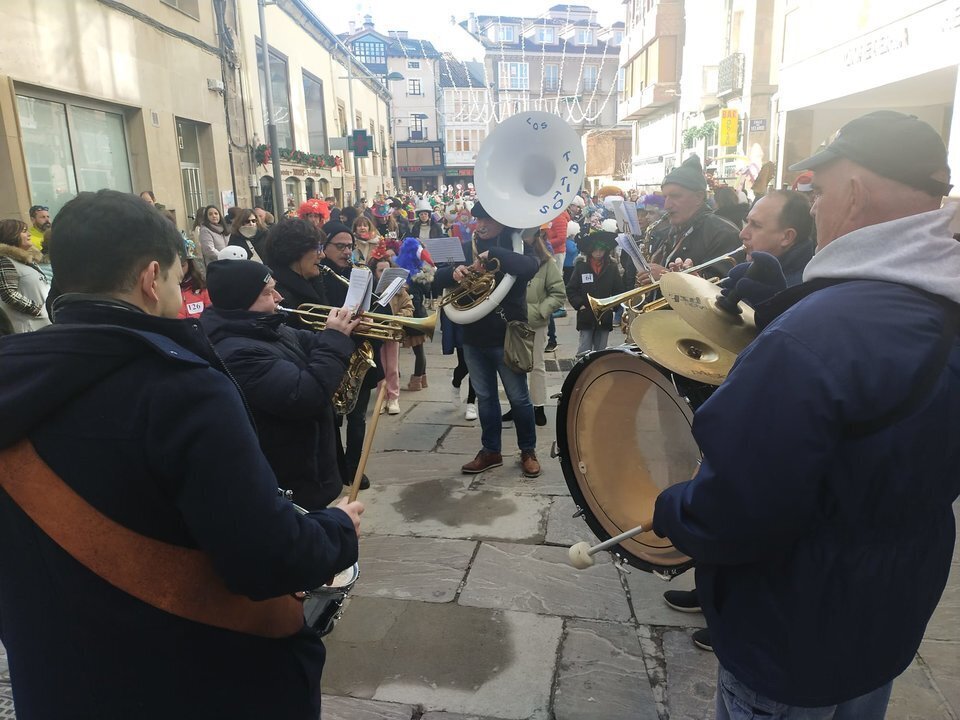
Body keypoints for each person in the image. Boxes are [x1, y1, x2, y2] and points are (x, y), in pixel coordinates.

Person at [0, 189, 363, 718]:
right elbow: (268, 560)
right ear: (151, 279)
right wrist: (335, 530)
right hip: (191, 679)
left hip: (55, 683)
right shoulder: (182, 388)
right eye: (174, 278)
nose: (177, 292)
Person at [652, 111, 960, 718]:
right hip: (888, 613)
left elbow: (736, 507)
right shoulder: (939, 306)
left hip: (789, 629)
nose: (813, 208)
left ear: (854, 193)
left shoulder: (816, 333)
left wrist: (672, 510)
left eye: (816, 193)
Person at [662, 189, 815, 651]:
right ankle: (709, 588)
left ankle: (729, 608)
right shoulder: (771, 266)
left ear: (787, 237)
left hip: (773, 427)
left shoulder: (805, 278)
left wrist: (772, 305)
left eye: (755, 226)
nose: (743, 233)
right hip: (744, 398)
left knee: (743, 508)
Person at [201, 260, 359, 509]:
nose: (279, 297)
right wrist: (336, 338)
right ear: (241, 300)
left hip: (308, 472)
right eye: (268, 292)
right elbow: (305, 395)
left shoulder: (266, 327)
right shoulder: (237, 351)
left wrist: (352, 329)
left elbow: (315, 344)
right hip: (288, 482)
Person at [434, 202, 541, 477]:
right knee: (485, 397)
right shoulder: (463, 244)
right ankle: (490, 450)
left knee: (519, 397)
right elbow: (437, 277)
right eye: (478, 218)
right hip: (473, 335)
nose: (480, 224)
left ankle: (528, 450)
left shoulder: (514, 244)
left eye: (487, 220)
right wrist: (454, 273)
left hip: (507, 334)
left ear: (502, 222)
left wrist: (492, 253)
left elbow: (530, 267)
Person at [320, 220, 383, 490]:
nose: (347, 251)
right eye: (340, 246)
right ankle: (336, 464)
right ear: (325, 247)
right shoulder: (320, 277)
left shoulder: (361, 272)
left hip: (360, 351)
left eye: (350, 246)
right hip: (333, 352)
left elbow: (376, 306)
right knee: (332, 418)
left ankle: (354, 466)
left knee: (357, 417)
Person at [503, 227, 565, 427]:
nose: (522, 237)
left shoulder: (547, 263)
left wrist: (539, 311)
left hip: (535, 323)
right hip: (511, 321)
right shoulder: (508, 259)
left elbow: (557, 293)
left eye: (527, 234)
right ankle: (517, 404)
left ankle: (538, 406)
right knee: (513, 364)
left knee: (536, 365)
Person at [649, 155, 742, 281]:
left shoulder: (724, 233)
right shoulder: (670, 231)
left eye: (675, 196)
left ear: (699, 197)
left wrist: (665, 276)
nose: (667, 205)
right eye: (665, 197)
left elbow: (721, 289)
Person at [565, 231, 622, 356]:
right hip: (586, 314)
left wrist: (614, 306)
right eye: (595, 250)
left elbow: (619, 289)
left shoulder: (612, 268)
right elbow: (571, 289)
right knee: (584, 350)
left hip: (605, 314)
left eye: (601, 250)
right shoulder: (581, 267)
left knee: (601, 351)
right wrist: (580, 305)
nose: (598, 253)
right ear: (590, 250)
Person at [265, 218, 328, 325]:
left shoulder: (314, 282)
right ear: (297, 251)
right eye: (318, 248)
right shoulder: (279, 297)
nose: (322, 255)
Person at [370, 254, 411, 415]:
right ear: (374, 273)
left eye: (387, 270)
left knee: (392, 367)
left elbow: (409, 308)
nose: (384, 274)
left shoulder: (400, 291)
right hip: (376, 332)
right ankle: (381, 397)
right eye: (380, 271)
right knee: (380, 366)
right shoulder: (371, 290)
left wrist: (399, 317)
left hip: (392, 333)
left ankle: (393, 397)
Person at [0, 219, 51, 332]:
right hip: (27, 328)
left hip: (42, 325)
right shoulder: (5, 261)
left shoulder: (27, 260)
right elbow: (9, 293)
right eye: (23, 231)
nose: (29, 234)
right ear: (11, 235)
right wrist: (37, 310)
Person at [177, 242, 212, 319]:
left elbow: (210, 310)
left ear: (189, 265)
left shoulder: (200, 285)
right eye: (176, 265)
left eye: (183, 265)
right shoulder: (165, 288)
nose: (179, 270)